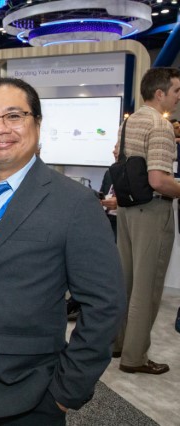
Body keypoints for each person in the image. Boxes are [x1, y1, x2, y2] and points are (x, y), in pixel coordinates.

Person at [0, 77, 126, 425]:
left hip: (28, 392)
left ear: (37, 123)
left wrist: (65, 391)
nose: (0, 128)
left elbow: (105, 305)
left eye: (14, 116)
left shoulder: (74, 203)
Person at [113, 67, 180, 375]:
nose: (178, 98)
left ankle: (117, 343)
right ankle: (135, 357)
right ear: (160, 93)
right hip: (152, 211)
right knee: (147, 287)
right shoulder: (160, 125)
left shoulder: (130, 122)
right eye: (176, 91)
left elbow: (118, 156)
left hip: (127, 209)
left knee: (126, 283)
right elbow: (158, 180)